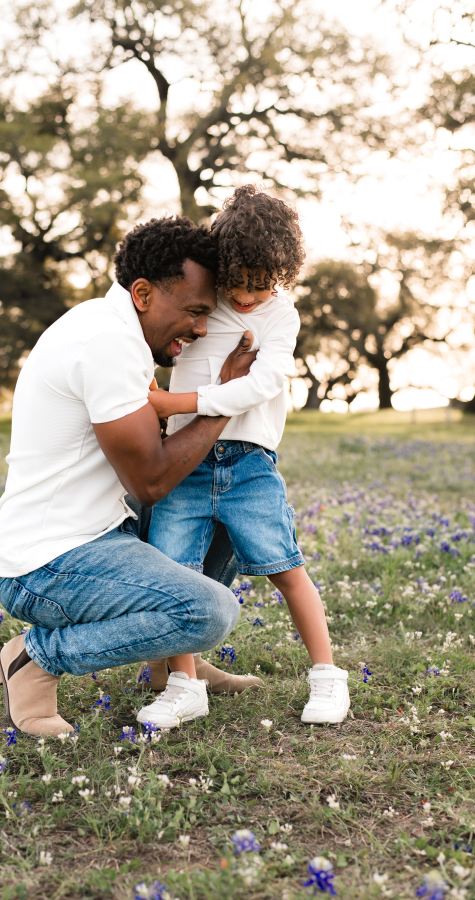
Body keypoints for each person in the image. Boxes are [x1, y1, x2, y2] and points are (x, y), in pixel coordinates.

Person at [0, 216, 259, 737]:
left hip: (102, 531)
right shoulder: (105, 342)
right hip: (45, 564)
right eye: (195, 312)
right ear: (142, 293)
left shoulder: (114, 329)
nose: (200, 329)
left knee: (229, 499)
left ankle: (170, 664)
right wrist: (226, 400)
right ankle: (34, 659)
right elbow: (150, 481)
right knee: (210, 612)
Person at [136, 186, 350, 729]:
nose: (250, 295)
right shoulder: (200, 304)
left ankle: (326, 676)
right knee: (173, 573)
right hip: (186, 463)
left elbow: (265, 381)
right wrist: (162, 404)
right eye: (240, 281)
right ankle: (183, 685)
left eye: (264, 282)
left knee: (285, 566)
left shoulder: (281, 314)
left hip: (250, 462)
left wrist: (177, 401)